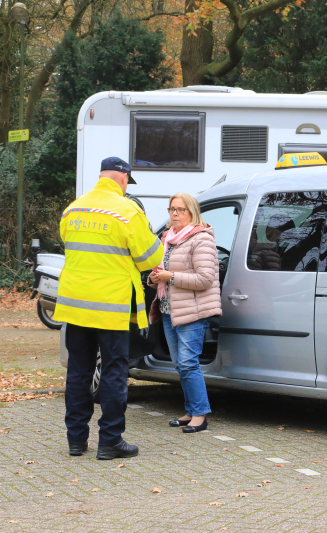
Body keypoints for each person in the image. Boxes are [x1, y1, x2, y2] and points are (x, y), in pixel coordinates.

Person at [56, 156, 164, 460]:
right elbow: (150, 258)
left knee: (79, 372)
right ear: (124, 179)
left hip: (75, 306)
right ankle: (110, 441)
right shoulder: (128, 211)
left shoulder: (72, 209)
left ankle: (76, 441)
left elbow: (69, 245)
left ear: (101, 176)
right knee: (114, 371)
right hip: (111, 307)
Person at [147, 193, 221, 433]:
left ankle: (200, 415)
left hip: (194, 310)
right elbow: (161, 269)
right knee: (181, 364)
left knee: (189, 363)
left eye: (180, 210)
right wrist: (154, 277)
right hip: (169, 309)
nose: (175, 214)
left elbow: (205, 279)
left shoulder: (201, 239)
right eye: (171, 209)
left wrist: (171, 277)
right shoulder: (167, 238)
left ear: (192, 212)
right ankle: (191, 410)